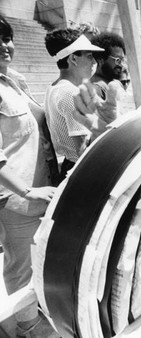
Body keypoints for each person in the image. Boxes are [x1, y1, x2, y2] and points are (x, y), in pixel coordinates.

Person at [0, 15, 59, 337]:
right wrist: (24, 191)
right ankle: (27, 327)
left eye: (6, 37)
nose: (5, 45)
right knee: (20, 266)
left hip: (40, 190)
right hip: (15, 200)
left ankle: (36, 315)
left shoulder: (15, 80)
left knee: (39, 259)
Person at [44, 27, 114, 180]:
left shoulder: (55, 87)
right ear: (73, 59)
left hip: (71, 166)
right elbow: (82, 150)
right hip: (81, 169)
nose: (94, 62)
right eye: (89, 56)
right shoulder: (70, 93)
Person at [90, 31, 127, 99]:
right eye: (117, 60)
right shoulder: (96, 90)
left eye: (123, 60)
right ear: (100, 60)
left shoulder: (113, 83)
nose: (121, 65)